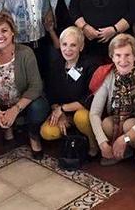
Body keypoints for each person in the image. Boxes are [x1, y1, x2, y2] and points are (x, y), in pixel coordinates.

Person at [89, 34, 135, 182]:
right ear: (111, 56)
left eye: (127, 55)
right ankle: (124, 153)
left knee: (130, 124)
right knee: (106, 124)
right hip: (119, 123)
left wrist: (125, 138)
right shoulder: (107, 75)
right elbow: (94, 113)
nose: (123, 60)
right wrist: (102, 142)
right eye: (118, 55)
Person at [0, 13, 50, 159]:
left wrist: (15, 110)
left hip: (24, 104)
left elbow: (36, 86)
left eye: (4, 30)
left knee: (39, 107)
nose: (0, 36)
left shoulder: (25, 53)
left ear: (12, 32)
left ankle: (33, 135)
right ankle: (7, 128)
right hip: (0, 106)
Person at [40, 27, 98, 156]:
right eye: (64, 44)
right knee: (47, 132)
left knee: (81, 118)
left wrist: (63, 109)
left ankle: (93, 144)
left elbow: (90, 97)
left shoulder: (91, 65)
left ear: (81, 47)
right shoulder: (56, 64)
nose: (68, 49)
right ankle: (72, 139)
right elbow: (50, 93)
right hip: (62, 111)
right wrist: (59, 113)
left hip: (83, 110)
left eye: (73, 45)